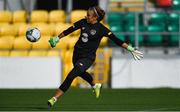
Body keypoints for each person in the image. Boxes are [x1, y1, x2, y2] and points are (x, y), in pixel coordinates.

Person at [47, 6, 143, 107]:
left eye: (88, 15)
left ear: (95, 18)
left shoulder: (102, 29)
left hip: (88, 57)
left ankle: (54, 98)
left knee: (72, 75)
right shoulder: (83, 22)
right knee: (80, 72)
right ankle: (95, 85)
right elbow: (69, 30)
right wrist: (57, 38)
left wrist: (130, 49)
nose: (86, 16)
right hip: (76, 54)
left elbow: (116, 40)